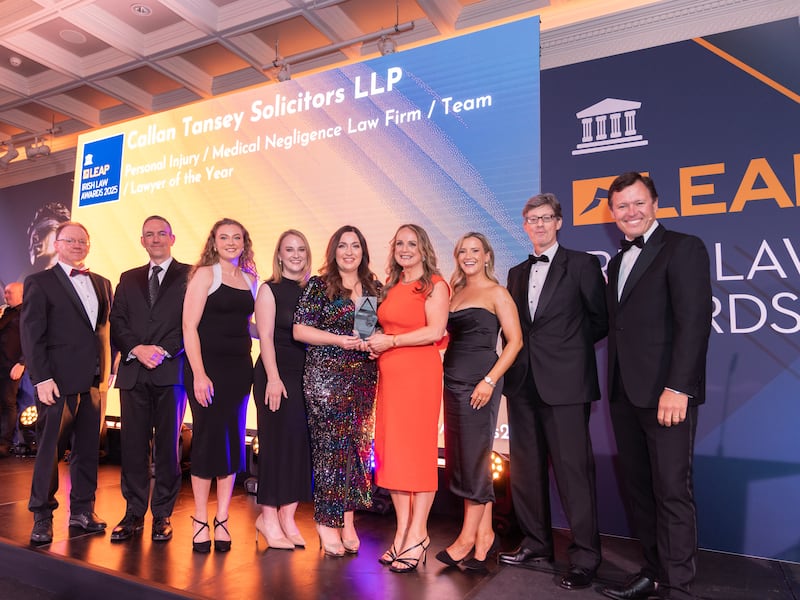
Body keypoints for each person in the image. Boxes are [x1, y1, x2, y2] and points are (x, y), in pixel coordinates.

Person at [601, 172, 712, 600]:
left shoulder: (683, 247)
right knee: (640, 491)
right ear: (612, 213)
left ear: (655, 204)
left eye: (638, 203)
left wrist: (679, 387)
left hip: (668, 395)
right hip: (625, 394)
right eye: (622, 206)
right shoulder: (616, 262)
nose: (631, 212)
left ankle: (679, 586)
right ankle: (653, 572)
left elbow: (694, 322)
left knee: (671, 491)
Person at [498, 193, 608, 591]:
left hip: (566, 384)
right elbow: (515, 329)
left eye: (546, 218)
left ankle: (585, 557)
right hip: (523, 384)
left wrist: (565, 354)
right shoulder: (515, 273)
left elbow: (599, 320)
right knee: (526, 472)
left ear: (559, 222)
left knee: (573, 473)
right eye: (532, 219)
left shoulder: (582, 264)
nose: (539, 225)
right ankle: (536, 543)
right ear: (524, 226)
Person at [21, 222, 113, 544]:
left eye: (82, 240)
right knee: (50, 451)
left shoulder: (102, 283)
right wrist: (41, 378)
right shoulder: (40, 282)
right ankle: (42, 515)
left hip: (93, 383)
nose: (77, 245)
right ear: (57, 245)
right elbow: (32, 334)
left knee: (87, 451)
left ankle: (83, 511)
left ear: (89, 245)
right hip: (57, 383)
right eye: (70, 240)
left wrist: (110, 368)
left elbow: (103, 330)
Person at [366, 224, 449, 573]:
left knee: (418, 454)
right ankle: (402, 533)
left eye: (411, 243)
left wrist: (392, 341)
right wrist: (374, 344)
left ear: (423, 248)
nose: (405, 249)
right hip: (390, 377)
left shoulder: (435, 285)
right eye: (399, 243)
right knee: (395, 456)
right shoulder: (387, 287)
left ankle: (419, 533)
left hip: (420, 376)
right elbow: (374, 327)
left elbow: (435, 330)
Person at [436, 233, 522, 570]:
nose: (468, 256)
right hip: (452, 383)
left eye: (475, 250)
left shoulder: (497, 293)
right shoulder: (456, 292)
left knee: (473, 461)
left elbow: (515, 342)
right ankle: (485, 537)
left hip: (480, 385)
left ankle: (465, 540)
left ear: (487, 256)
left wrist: (489, 380)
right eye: (462, 251)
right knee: (463, 460)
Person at [293, 225, 379, 557]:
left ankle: (347, 520)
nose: (349, 252)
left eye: (355, 245)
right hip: (326, 377)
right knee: (330, 452)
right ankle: (325, 522)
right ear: (334, 251)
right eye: (342, 245)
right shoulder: (320, 285)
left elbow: (366, 332)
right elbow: (300, 330)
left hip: (362, 379)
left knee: (356, 451)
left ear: (363, 251)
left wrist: (373, 345)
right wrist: (339, 340)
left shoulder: (371, 287)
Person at [109, 216, 189, 543]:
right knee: (132, 447)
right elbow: (117, 321)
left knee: (168, 448)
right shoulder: (128, 278)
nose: (155, 239)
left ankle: (162, 515)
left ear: (172, 238)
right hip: (133, 372)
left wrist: (164, 350)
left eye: (161, 233)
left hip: (171, 372)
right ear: (142, 241)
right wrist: (137, 349)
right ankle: (133, 513)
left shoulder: (191, 275)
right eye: (149, 235)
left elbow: (191, 322)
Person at [182, 218, 257, 553]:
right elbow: (189, 327)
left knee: (232, 442)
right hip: (206, 370)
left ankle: (223, 518)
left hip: (239, 371)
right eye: (223, 237)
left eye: (236, 237)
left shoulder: (250, 279)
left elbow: (248, 326)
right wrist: (199, 374)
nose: (230, 242)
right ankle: (200, 518)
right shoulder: (204, 274)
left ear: (244, 242)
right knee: (207, 442)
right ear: (214, 242)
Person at [253, 230, 313, 550]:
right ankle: (267, 517)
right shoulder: (269, 289)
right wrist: (274, 379)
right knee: (275, 447)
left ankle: (287, 518)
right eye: (289, 249)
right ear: (279, 255)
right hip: (274, 376)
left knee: (297, 449)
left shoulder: (312, 290)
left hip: (305, 378)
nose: (296, 254)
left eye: (301, 249)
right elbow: (265, 337)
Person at [0, 282, 25, 456]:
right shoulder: (4, 312)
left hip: (12, 366)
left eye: (9, 292)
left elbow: (32, 340)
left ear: (21, 294)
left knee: (8, 402)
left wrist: (23, 363)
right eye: (5, 292)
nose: (5, 295)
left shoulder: (27, 312)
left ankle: (4, 442)